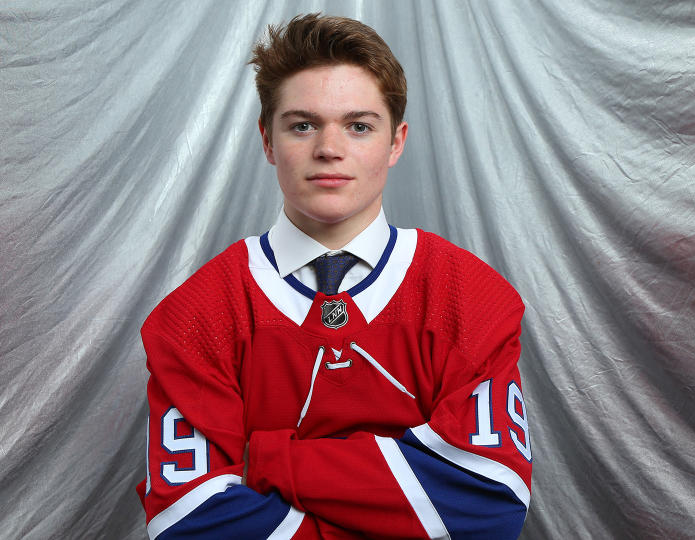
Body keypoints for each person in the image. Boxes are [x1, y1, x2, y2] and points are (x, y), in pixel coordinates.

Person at [138, 13, 532, 539]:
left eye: (359, 126)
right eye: (303, 124)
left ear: (396, 142)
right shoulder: (195, 315)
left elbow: (491, 498)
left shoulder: (471, 296)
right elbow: (190, 519)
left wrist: (272, 460)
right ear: (267, 140)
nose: (329, 147)